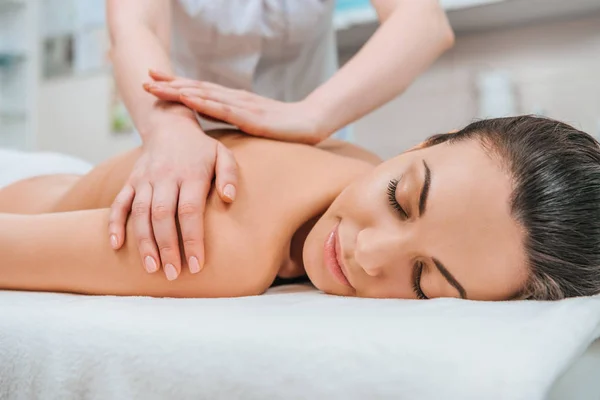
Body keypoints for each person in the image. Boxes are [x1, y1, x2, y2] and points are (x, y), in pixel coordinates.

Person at [1, 115, 599, 301]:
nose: (368, 252)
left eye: (422, 280)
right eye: (400, 199)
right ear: (420, 144)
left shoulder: (361, 161)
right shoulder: (222, 249)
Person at [106, 0, 456, 281]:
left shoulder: (346, 175)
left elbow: (423, 19)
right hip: (184, 149)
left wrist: (314, 113)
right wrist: (169, 128)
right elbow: (135, 25)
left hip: (313, 140)